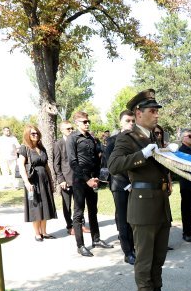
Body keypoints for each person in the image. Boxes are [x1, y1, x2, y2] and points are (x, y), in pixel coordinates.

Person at [107, 89, 179, 291]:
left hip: (160, 203)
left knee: (159, 255)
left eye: (157, 111)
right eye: (152, 111)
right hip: (143, 204)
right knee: (145, 256)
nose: (157, 115)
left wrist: (169, 153)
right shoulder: (127, 138)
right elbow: (114, 165)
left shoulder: (153, 138)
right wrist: (142, 154)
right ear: (138, 113)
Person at [67, 110, 113, 256]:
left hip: (93, 179)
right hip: (80, 180)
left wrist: (97, 177)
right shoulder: (72, 138)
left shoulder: (92, 138)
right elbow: (73, 162)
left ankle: (96, 239)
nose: (87, 124)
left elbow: (98, 158)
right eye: (84, 122)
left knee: (93, 210)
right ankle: (80, 245)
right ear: (77, 123)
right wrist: (86, 179)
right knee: (78, 213)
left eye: (88, 121)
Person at [105, 111, 136, 265]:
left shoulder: (138, 140)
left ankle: (135, 247)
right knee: (123, 219)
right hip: (120, 184)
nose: (131, 123)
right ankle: (128, 252)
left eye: (133, 120)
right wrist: (128, 184)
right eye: (128, 120)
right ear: (121, 123)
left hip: (136, 185)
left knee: (134, 218)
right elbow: (112, 166)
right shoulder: (112, 141)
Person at [18, 125, 57, 241]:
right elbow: (21, 166)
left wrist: (51, 181)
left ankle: (44, 232)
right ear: (27, 135)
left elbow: (46, 166)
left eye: (37, 133)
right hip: (33, 181)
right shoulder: (24, 148)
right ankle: (37, 233)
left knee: (45, 205)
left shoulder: (42, 147)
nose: (36, 135)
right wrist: (26, 182)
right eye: (33, 133)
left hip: (44, 180)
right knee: (36, 207)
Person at [52, 121, 79, 235]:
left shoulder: (76, 141)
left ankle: (79, 225)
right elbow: (56, 164)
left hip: (78, 178)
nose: (71, 130)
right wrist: (61, 180)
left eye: (72, 128)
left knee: (79, 204)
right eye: (68, 129)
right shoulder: (58, 144)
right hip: (66, 180)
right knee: (67, 205)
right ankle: (70, 226)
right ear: (62, 130)